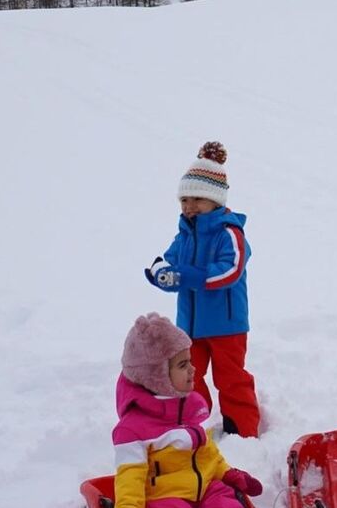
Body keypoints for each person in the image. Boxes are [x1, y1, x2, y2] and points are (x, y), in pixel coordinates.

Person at [145, 141, 260, 438]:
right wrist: (161, 274)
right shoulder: (184, 233)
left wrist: (188, 276)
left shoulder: (230, 233)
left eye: (197, 199)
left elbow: (229, 270)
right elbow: (169, 262)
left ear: (215, 200)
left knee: (230, 378)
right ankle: (192, 424)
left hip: (226, 326)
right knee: (186, 376)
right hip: (190, 327)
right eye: (184, 200)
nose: (189, 206)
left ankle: (242, 431)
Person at [113, 312, 263, 508]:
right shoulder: (132, 430)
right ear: (156, 376)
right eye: (183, 365)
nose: (193, 369)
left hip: (207, 490)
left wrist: (227, 473)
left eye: (190, 361)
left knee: (228, 502)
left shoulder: (190, 408)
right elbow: (130, 479)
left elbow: (207, 453)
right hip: (165, 498)